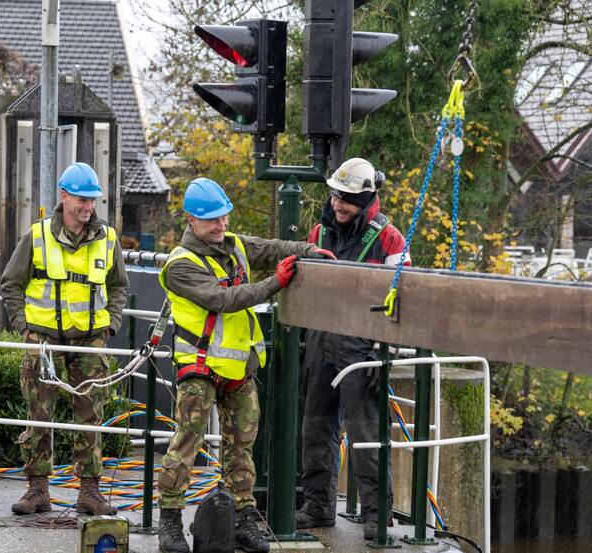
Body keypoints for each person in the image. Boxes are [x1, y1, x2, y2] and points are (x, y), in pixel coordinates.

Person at [157, 177, 322, 553]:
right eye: (213, 220)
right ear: (191, 220)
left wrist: (309, 249)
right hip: (199, 367)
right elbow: (224, 299)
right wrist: (274, 284)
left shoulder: (232, 246)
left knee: (241, 448)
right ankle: (170, 522)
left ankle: (245, 519)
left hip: (238, 367)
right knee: (186, 443)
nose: (222, 225)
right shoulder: (181, 265)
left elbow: (270, 248)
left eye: (225, 218)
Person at [0, 162, 128, 516]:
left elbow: (119, 286)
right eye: (81, 199)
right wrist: (23, 327)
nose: (87, 207)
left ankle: (90, 491)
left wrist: (110, 326)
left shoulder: (108, 238)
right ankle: (37, 489)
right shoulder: (37, 235)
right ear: (64, 196)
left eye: (92, 200)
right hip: (44, 340)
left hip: (89, 342)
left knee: (90, 416)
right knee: (39, 414)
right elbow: (10, 282)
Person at [296, 157, 410, 540]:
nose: (336, 205)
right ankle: (318, 506)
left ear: (365, 199)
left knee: (368, 432)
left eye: (345, 199)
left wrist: (386, 351)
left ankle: (378, 515)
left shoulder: (390, 239)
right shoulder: (318, 233)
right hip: (319, 340)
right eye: (334, 196)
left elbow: (404, 298)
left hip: (362, 345)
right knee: (315, 426)